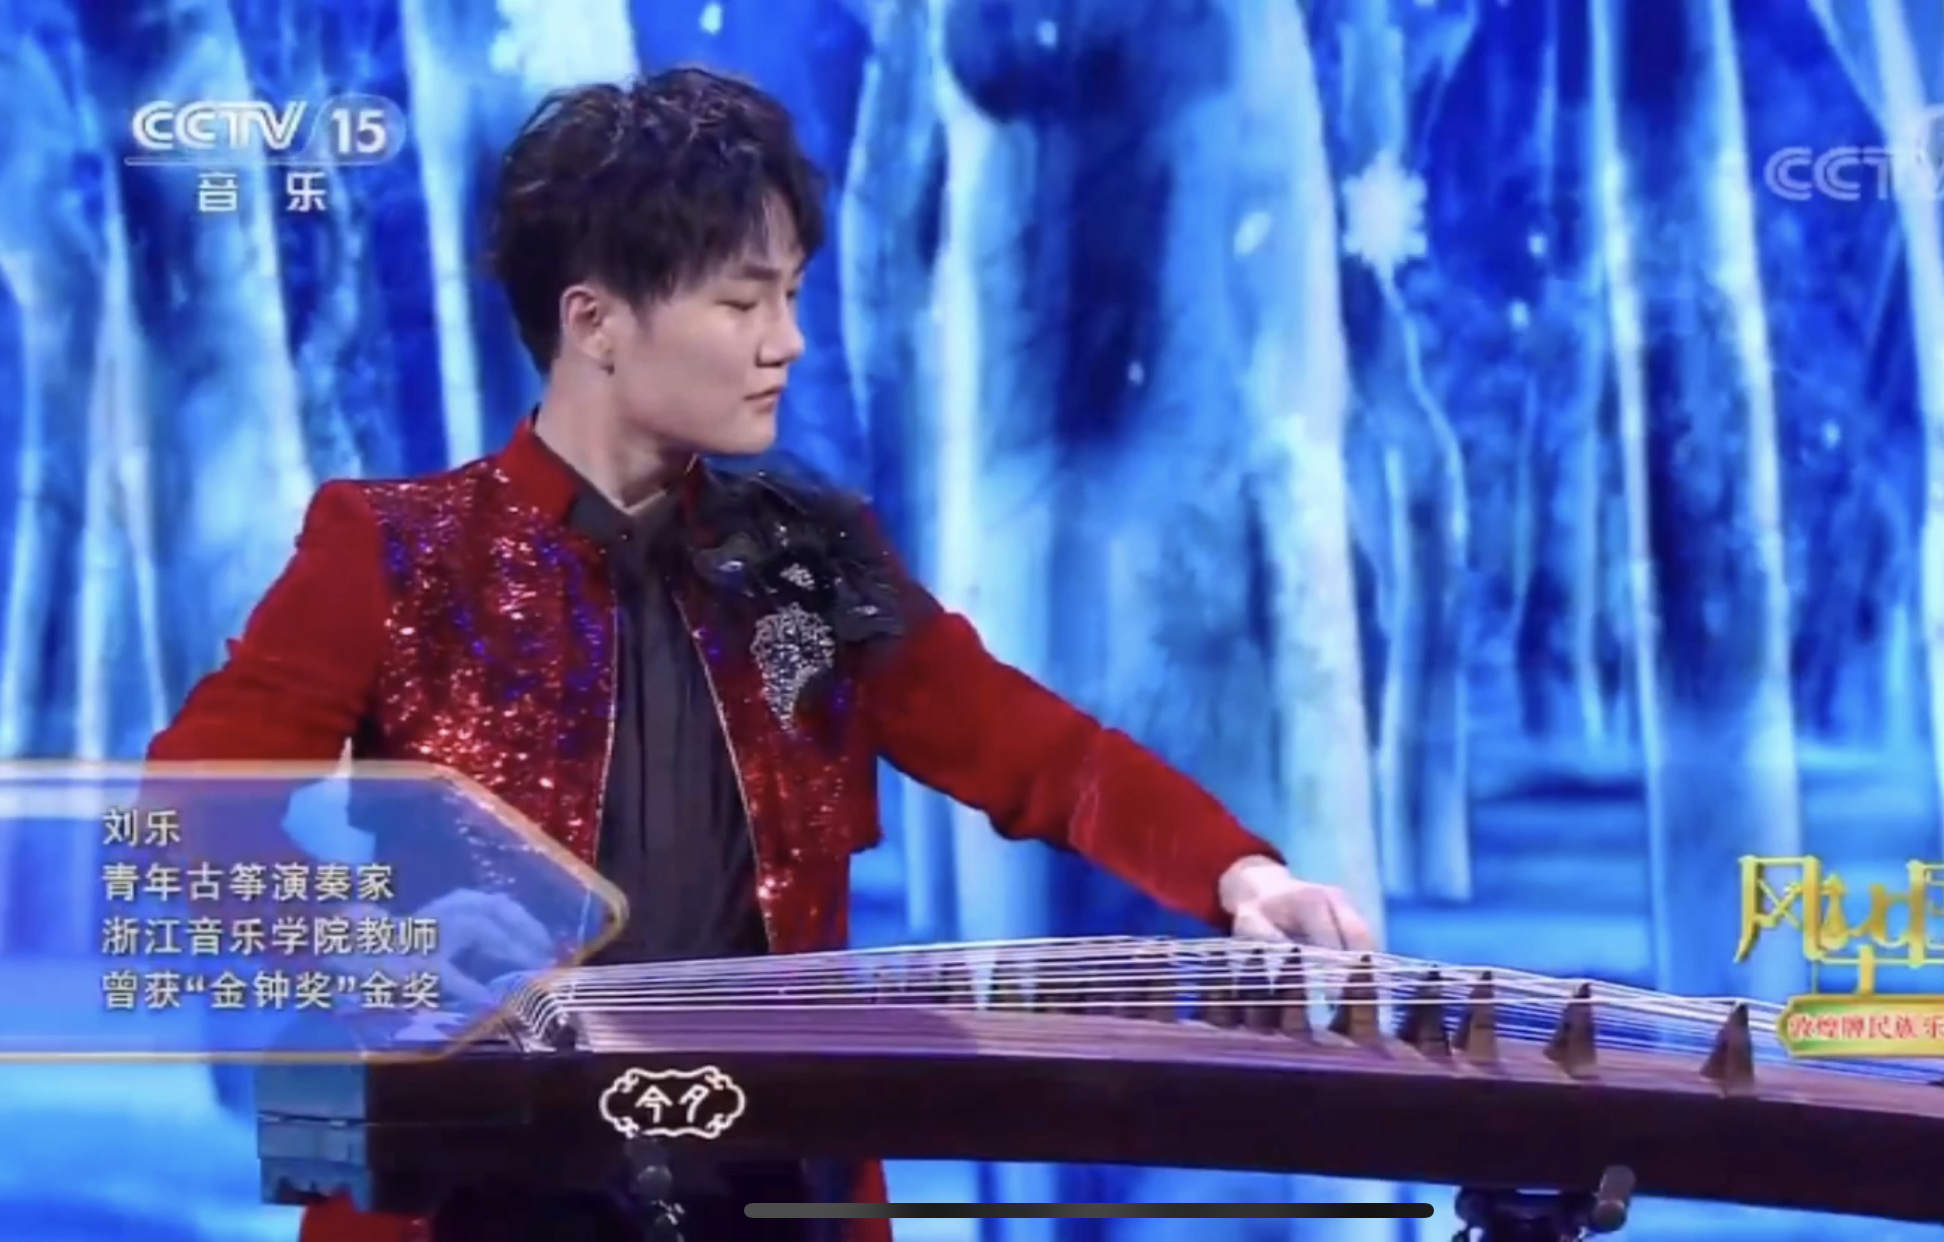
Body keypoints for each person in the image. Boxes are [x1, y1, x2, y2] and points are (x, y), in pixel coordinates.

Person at [148, 67, 1376, 1242]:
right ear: (594, 323)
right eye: (742, 304)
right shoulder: (398, 552)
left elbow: (1038, 753)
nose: (785, 341)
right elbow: (195, 806)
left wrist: (1237, 875)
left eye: (790, 296)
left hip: (772, 1188)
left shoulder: (806, 558)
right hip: (473, 1191)